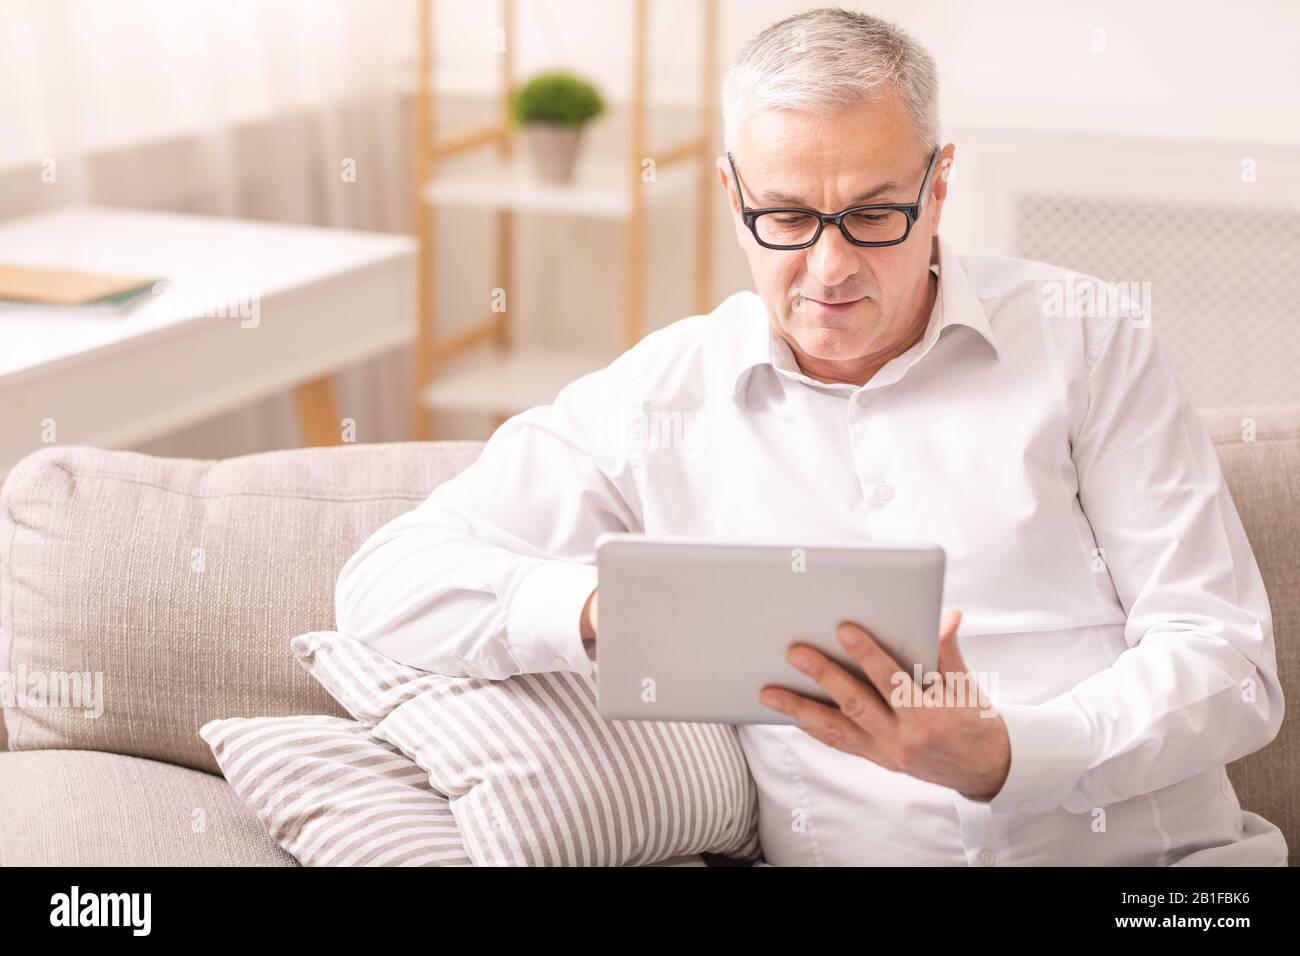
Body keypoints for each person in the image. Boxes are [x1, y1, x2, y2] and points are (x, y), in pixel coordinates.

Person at [335, 8, 1285, 866]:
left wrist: (1010, 752)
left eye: (874, 214)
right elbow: (385, 581)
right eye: (786, 217)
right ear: (731, 193)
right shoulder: (661, 398)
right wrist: (605, 609)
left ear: (940, 184)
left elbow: (1230, 663)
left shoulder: (1090, 337)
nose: (829, 269)